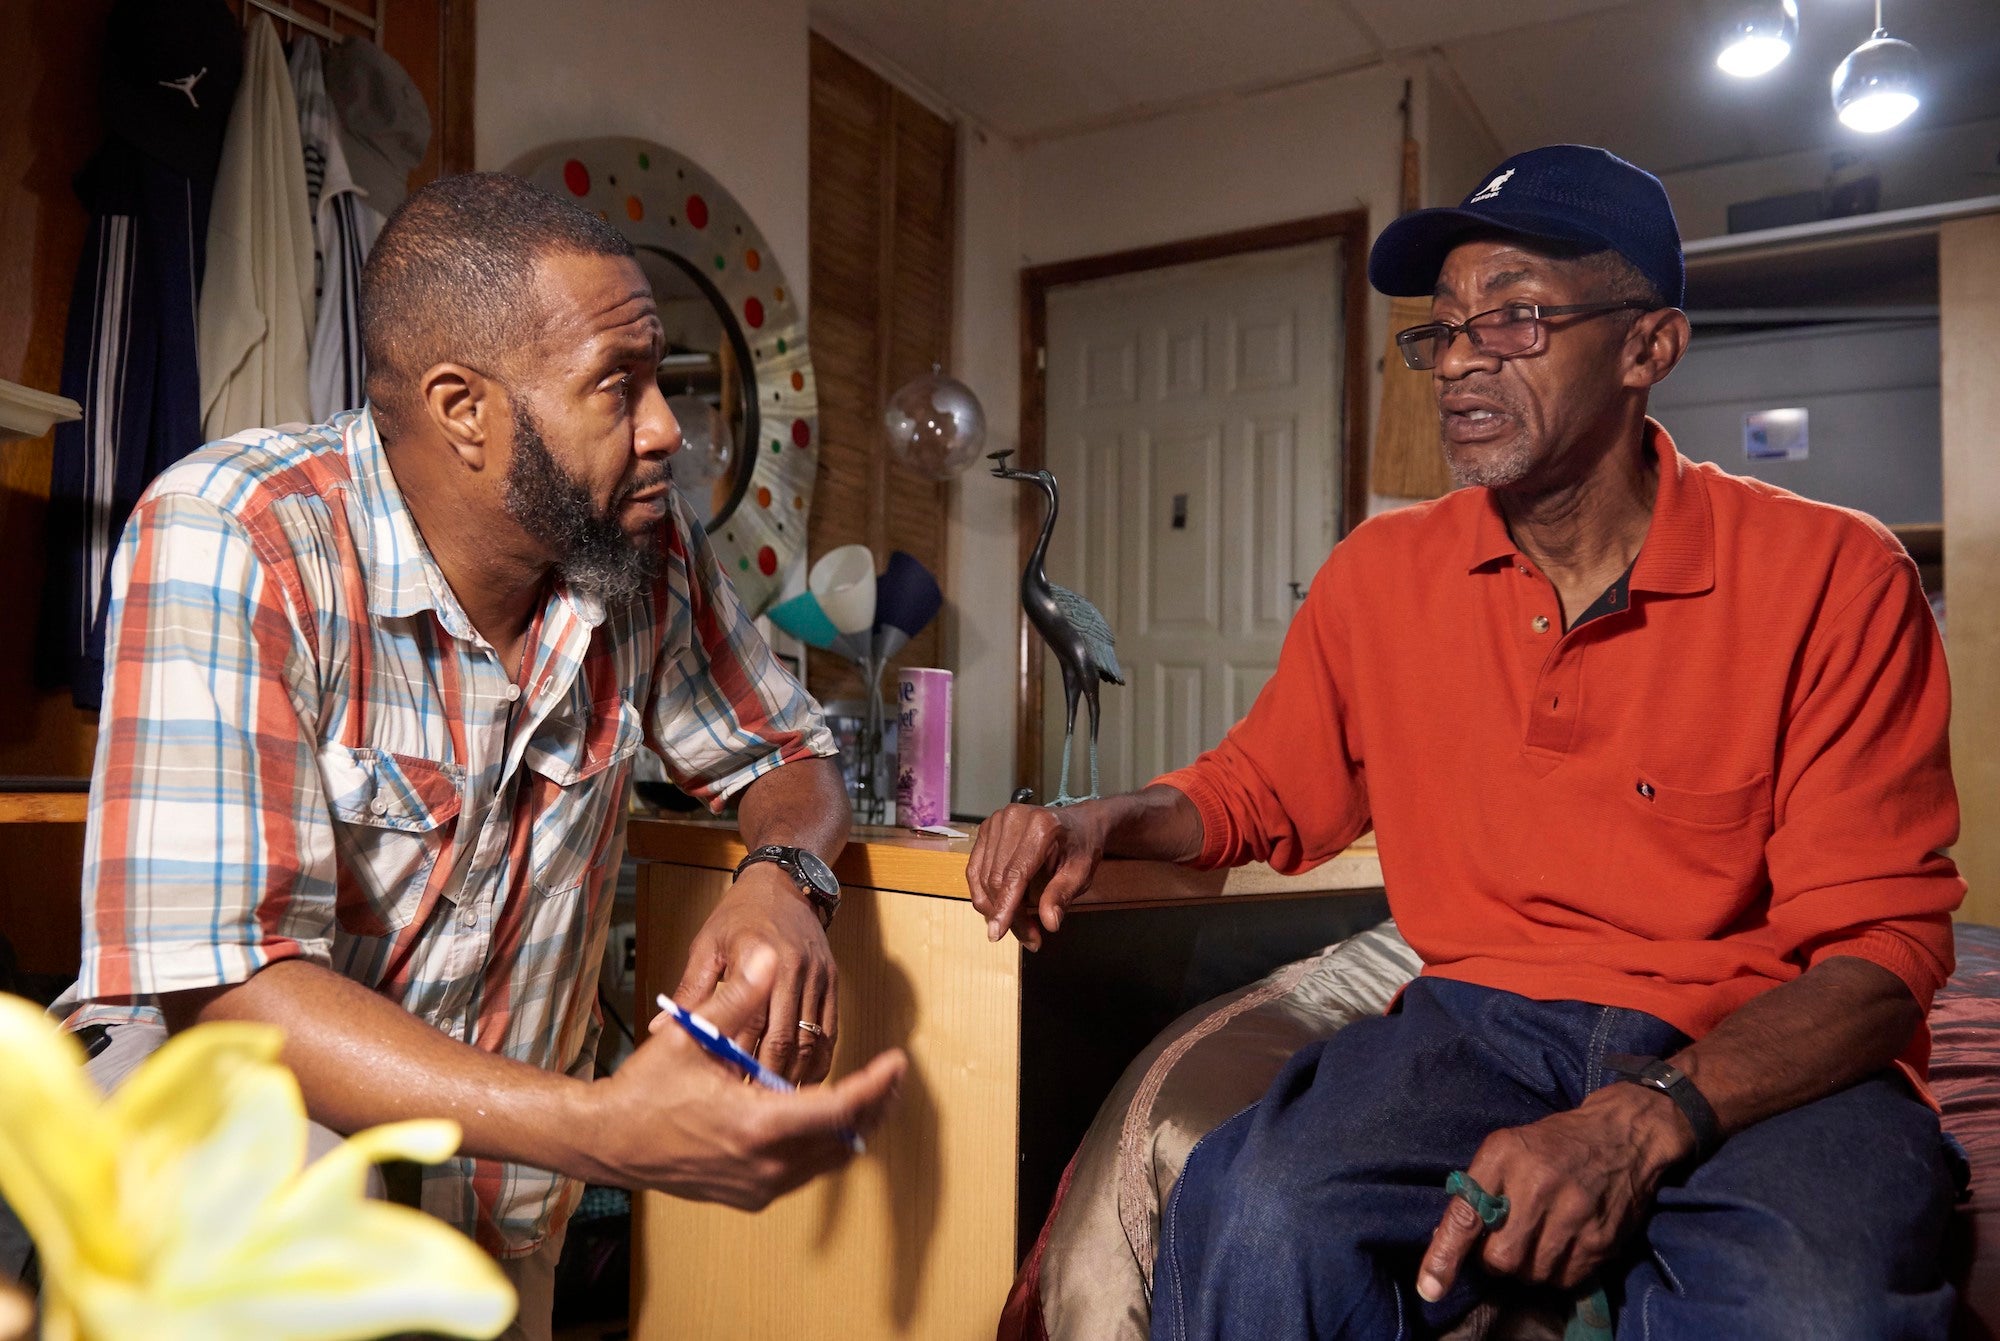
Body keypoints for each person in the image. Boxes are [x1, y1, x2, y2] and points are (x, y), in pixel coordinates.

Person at [968, 144, 1962, 1340]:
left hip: (1752, 1045)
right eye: (1440, 331)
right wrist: (1102, 819)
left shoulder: (1834, 575)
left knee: (1812, 1308)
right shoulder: (1379, 576)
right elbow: (1259, 787)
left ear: (1647, 347)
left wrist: (1645, 1117)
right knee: (1252, 1209)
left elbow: (1879, 951)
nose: (1460, 361)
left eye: (1518, 317)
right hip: (1479, 1021)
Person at [51, 173, 905, 1341]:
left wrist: (783, 883)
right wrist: (602, 1124)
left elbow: (788, 753)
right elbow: (231, 990)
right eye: (620, 386)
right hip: (218, 1195)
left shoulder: (642, 556)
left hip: (496, 1213)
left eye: (661, 380)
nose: (665, 428)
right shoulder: (236, 536)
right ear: (465, 410)